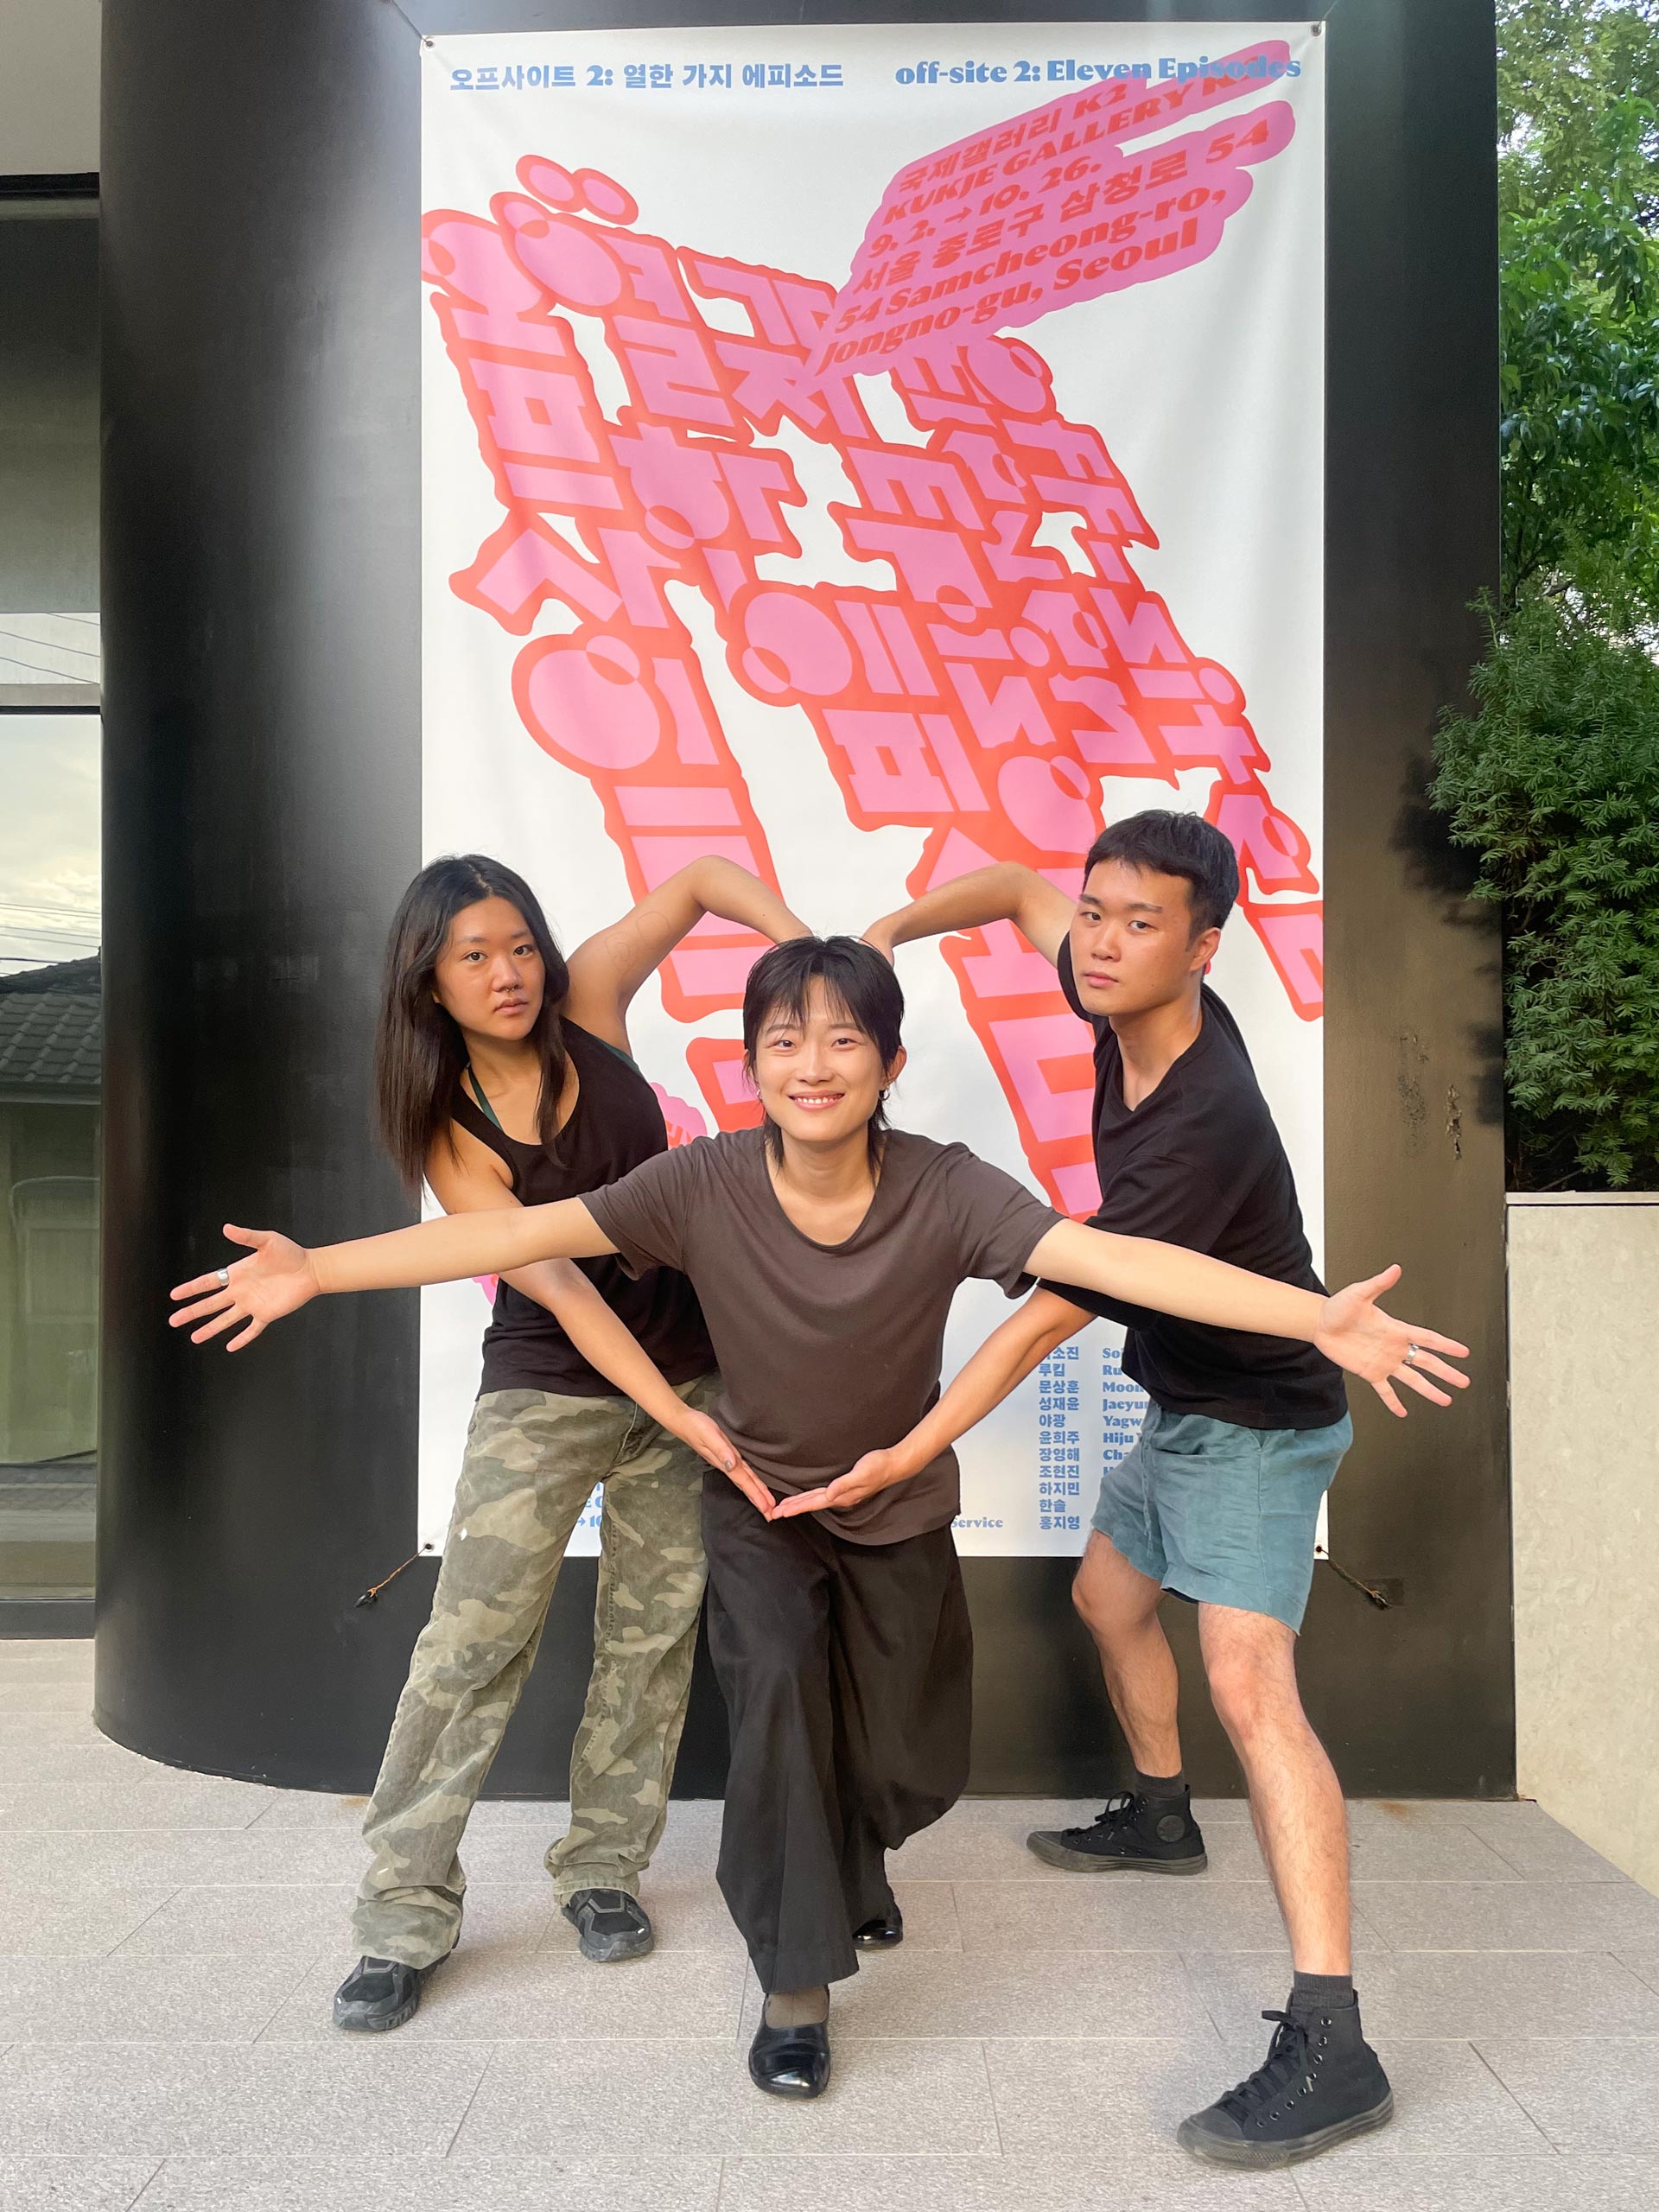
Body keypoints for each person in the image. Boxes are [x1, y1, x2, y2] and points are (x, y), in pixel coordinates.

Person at [170, 933, 1465, 2103]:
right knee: (781, 1703)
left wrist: (1314, 1315)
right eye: (784, 1040)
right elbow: (510, 1237)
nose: (813, 1063)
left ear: (890, 1063)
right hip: (762, 1503)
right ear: (751, 1066)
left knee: (910, 1758)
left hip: (898, 1504)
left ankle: (854, 1858)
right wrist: (319, 1269)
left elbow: (1113, 1259)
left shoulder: (947, 1187)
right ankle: (795, 1990)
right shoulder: (701, 1183)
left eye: (845, 1039)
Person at [855, 810, 1459, 2166]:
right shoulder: (1111, 984)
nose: (1101, 941)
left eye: (1142, 923)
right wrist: (894, 929)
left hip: (1259, 1424)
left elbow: (1036, 1325)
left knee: (1250, 1684)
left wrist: (910, 1446)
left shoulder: (1201, 1127)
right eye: (1098, 913)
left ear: (1205, 948)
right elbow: (1014, 885)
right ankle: (1163, 1814)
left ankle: (1335, 2041)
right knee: (1109, 1599)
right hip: (1186, 1401)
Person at [332, 852, 807, 2032]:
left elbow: (702, 880)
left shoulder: (590, 1002)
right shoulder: (448, 1131)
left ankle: (603, 1871)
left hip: (692, 1375)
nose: (508, 973)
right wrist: (674, 1410)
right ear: (429, 983)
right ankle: (402, 1915)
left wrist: (800, 953)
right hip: (553, 1387)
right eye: (474, 957)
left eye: (519, 946)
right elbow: (562, 1286)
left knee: (650, 1640)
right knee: (468, 1646)